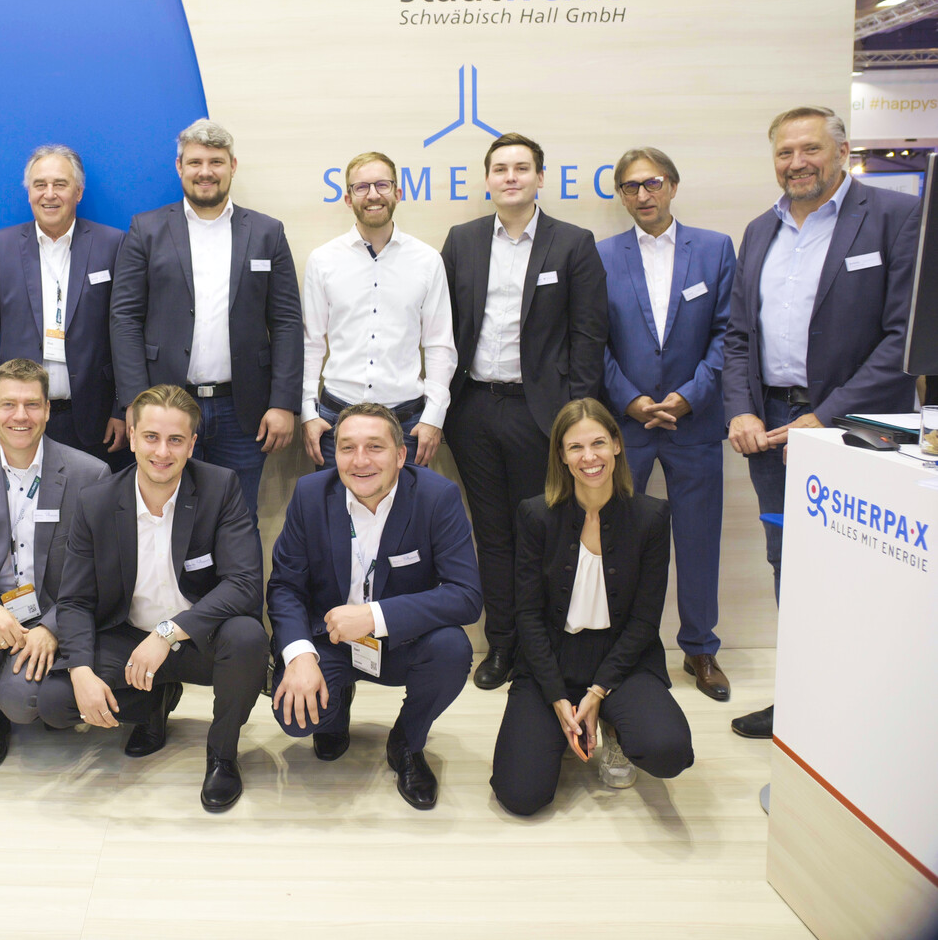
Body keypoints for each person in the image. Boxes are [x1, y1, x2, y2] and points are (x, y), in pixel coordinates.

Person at [723, 106, 920, 739]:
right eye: (785, 152)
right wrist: (741, 407)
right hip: (772, 429)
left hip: (856, 428)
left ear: (841, 151)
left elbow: (903, 341)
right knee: (789, 563)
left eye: (809, 149)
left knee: (861, 566)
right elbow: (738, 336)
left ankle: (870, 713)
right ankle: (803, 703)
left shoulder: (895, 216)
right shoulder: (761, 230)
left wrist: (824, 416)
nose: (797, 163)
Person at [36, 384, 269, 812]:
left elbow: (244, 583)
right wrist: (82, 670)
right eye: (151, 437)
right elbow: (75, 600)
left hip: (199, 637)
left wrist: (166, 633)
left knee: (248, 638)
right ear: (131, 435)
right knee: (55, 700)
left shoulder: (220, 487)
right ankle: (151, 704)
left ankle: (222, 753)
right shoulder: (97, 502)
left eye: (176, 440)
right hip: (129, 638)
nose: (162, 452)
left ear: (192, 444)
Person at [441, 132, 608, 690]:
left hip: (543, 416)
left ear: (540, 177)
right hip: (473, 409)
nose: (510, 177)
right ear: (487, 179)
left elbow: (588, 337)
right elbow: (442, 326)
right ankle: (502, 644)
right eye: (500, 168)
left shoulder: (572, 243)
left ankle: (547, 649)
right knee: (492, 535)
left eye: (521, 168)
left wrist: (577, 417)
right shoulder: (462, 240)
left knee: (544, 532)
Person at [267, 403, 481, 810]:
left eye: (375, 447)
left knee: (452, 649)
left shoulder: (437, 497)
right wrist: (299, 656)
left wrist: (374, 616)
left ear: (400, 455)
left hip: (402, 642)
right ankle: (334, 710)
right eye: (347, 447)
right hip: (330, 641)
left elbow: (466, 595)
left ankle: (407, 743)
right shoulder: (310, 495)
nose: (360, 460)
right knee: (297, 718)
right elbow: (284, 587)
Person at [489, 398, 694, 816]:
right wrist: (557, 697)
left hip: (623, 659)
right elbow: (527, 615)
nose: (589, 457)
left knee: (669, 751)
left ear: (617, 445)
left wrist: (598, 691)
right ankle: (565, 723)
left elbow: (644, 621)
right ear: (562, 457)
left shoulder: (651, 516)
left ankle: (613, 725)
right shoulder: (535, 515)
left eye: (598, 443)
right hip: (551, 658)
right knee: (520, 795)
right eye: (576, 447)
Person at [110, 119, 302, 526]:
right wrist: (135, 402)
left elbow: (286, 321)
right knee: (168, 519)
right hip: (166, 407)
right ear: (179, 167)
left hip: (243, 411)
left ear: (233, 166)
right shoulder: (146, 229)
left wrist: (283, 402)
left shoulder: (267, 232)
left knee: (239, 520)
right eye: (195, 162)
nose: (205, 172)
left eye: (216, 162)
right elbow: (124, 318)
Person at [598, 148, 736, 702]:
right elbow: (593, 340)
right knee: (617, 542)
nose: (642, 195)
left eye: (652, 183)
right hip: (626, 425)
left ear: (673, 186)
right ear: (621, 195)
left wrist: (688, 397)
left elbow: (729, 333)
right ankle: (619, 650)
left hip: (692, 423)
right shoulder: (601, 255)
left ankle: (700, 648)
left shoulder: (715, 248)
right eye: (630, 187)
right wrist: (630, 400)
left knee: (698, 540)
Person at [0, 358, 110, 766]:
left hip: (53, 610)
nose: (20, 416)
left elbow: (99, 575)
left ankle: (18, 693)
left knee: (24, 703)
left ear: (47, 410)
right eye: (9, 404)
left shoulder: (89, 474)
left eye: (32, 404)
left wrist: (52, 628)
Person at [0, 145, 127, 465]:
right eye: (40, 184)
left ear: (78, 192)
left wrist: (120, 410)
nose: (49, 194)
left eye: (60, 184)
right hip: (18, 419)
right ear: (29, 193)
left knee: (89, 497)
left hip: (92, 419)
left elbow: (124, 333)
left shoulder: (112, 244)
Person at [301, 151, 457, 469]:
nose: (373, 195)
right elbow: (310, 342)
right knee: (335, 503)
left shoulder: (428, 261)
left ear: (397, 192)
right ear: (348, 198)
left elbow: (440, 344)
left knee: (407, 503)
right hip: (335, 420)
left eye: (382, 185)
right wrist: (307, 411)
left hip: (408, 424)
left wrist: (434, 416)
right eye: (361, 187)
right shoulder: (323, 260)